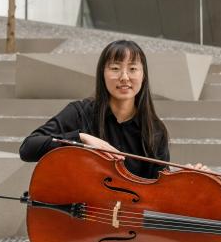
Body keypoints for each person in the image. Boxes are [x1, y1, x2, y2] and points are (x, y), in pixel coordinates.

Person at [19, 39, 206, 178]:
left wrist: (184, 178)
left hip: (126, 225)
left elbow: (157, 191)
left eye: (132, 69)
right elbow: (28, 148)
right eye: (115, 68)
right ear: (103, 74)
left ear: (143, 76)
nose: (124, 77)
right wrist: (81, 138)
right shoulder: (80, 113)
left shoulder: (154, 131)